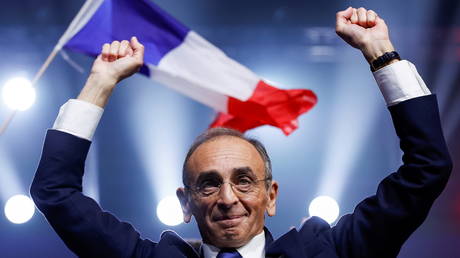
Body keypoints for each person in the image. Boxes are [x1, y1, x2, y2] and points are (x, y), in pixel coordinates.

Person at [31, 7, 452, 258]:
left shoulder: (328, 252)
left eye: (244, 181)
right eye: (208, 184)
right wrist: (99, 85)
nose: (228, 199)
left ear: (271, 196)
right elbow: (56, 193)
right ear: (185, 202)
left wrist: (381, 53)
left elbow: (427, 168)